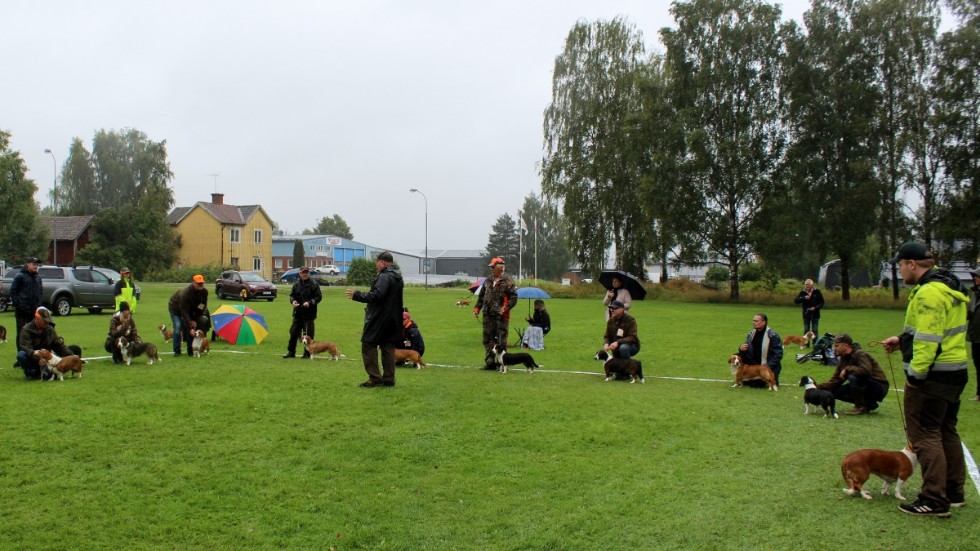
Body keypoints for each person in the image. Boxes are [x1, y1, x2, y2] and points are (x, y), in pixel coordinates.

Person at [881, 242, 968, 517]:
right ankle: (953, 493)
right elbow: (932, 331)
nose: (899, 270)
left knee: (925, 436)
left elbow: (929, 340)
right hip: (955, 371)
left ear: (912, 264)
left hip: (933, 375)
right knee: (946, 430)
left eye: (900, 265)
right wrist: (902, 339)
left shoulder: (929, 293)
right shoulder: (948, 286)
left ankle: (934, 499)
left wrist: (916, 377)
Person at [345, 252, 404, 388]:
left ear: (382, 262)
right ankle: (389, 379)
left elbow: (377, 295)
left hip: (379, 318)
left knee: (368, 344)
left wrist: (357, 295)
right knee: (388, 347)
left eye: (377, 263)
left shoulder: (384, 276)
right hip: (393, 318)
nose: (376, 266)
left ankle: (375, 378)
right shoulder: (397, 277)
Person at [816, 334, 889, 415]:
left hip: (879, 387)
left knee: (853, 377)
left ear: (846, 346)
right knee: (834, 392)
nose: (834, 349)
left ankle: (859, 407)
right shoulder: (843, 359)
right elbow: (835, 381)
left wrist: (848, 368)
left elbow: (866, 371)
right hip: (864, 385)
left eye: (837, 346)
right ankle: (869, 404)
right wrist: (818, 387)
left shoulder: (860, 354)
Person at [473, 257, 518, 370]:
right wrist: (477, 308)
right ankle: (490, 363)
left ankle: (501, 364)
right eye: (491, 267)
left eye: (493, 267)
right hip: (487, 315)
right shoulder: (488, 279)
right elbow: (482, 295)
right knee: (487, 339)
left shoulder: (508, 280)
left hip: (501, 316)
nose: (491, 269)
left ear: (500, 268)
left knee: (501, 340)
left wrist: (505, 308)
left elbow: (514, 297)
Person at [16, 306, 82, 380]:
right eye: (45, 321)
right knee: (21, 355)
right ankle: (32, 373)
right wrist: (39, 359)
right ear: (37, 318)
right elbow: (27, 349)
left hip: (48, 358)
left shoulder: (50, 329)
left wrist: (73, 357)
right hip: (33, 358)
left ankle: (49, 372)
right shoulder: (26, 330)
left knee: (75, 349)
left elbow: (58, 346)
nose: (47, 323)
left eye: (48, 321)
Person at [283, 266, 323, 359]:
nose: (305, 274)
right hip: (298, 313)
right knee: (293, 332)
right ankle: (291, 351)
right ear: (300, 273)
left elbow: (319, 297)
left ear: (309, 273)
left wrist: (310, 303)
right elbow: (292, 295)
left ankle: (307, 353)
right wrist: (293, 301)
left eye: (306, 272)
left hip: (309, 314)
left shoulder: (314, 284)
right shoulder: (296, 284)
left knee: (308, 334)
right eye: (303, 272)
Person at [168, 274, 209, 357]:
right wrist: (190, 327)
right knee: (178, 327)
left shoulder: (204, 292)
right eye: (198, 283)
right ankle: (177, 351)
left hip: (190, 310)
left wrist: (195, 317)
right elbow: (184, 312)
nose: (201, 285)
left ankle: (190, 350)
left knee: (193, 326)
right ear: (194, 283)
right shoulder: (186, 294)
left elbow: (202, 306)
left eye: (202, 283)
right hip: (175, 309)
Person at [737, 313, 783, 387]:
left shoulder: (772, 335)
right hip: (755, 365)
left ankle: (767, 378)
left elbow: (778, 354)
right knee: (736, 356)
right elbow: (746, 350)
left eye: (756, 321)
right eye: (753, 321)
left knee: (758, 385)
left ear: (763, 322)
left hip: (767, 365)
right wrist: (741, 348)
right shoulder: (751, 334)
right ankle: (741, 377)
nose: (754, 323)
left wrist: (766, 367)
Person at [10, 257, 42, 352]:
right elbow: (13, 290)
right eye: (34, 264)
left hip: (33, 309)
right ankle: (21, 355)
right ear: (27, 264)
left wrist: (38, 304)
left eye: (37, 264)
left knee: (33, 332)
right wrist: (18, 304)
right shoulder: (20, 276)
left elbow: (40, 291)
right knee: (21, 332)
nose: (35, 266)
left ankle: (31, 353)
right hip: (22, 309)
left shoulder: (38, 277)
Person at [967, 267, 980, 401]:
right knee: (978, 365)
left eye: (977, 276)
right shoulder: (975, 294)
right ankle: (979, 393)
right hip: (976, 337)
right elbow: (970, 313)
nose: (975, 278)